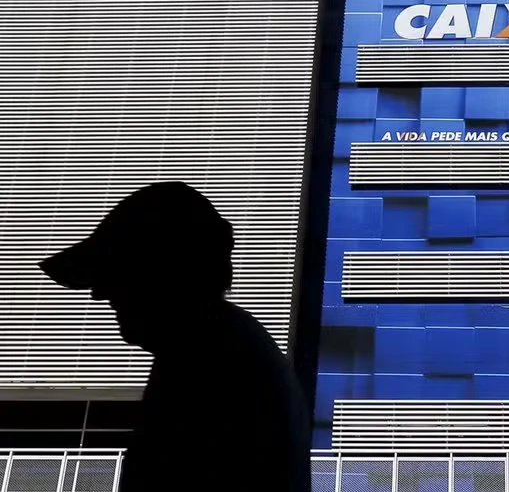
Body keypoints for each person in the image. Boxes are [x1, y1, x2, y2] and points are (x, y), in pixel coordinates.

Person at [38, 181, 311, 492]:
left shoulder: (206, 364)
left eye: (115, 272)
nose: (98, 294)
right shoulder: (224, 349)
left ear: (165, 271)